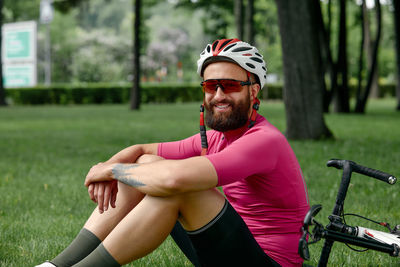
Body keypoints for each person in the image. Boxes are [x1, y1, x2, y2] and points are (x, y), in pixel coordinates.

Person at [36, 38, 309, 267]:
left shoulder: (264, 141)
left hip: (269, 262)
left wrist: (111, 170)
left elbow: (174, 180)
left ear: (254, 92)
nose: (218, 95)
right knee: (147, 164)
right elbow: (141, 151)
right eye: (210, 86)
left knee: (179, 186)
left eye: (231, 85)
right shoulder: (218, 137)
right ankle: (55, 265)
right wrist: (107, 164)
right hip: (229, 251)